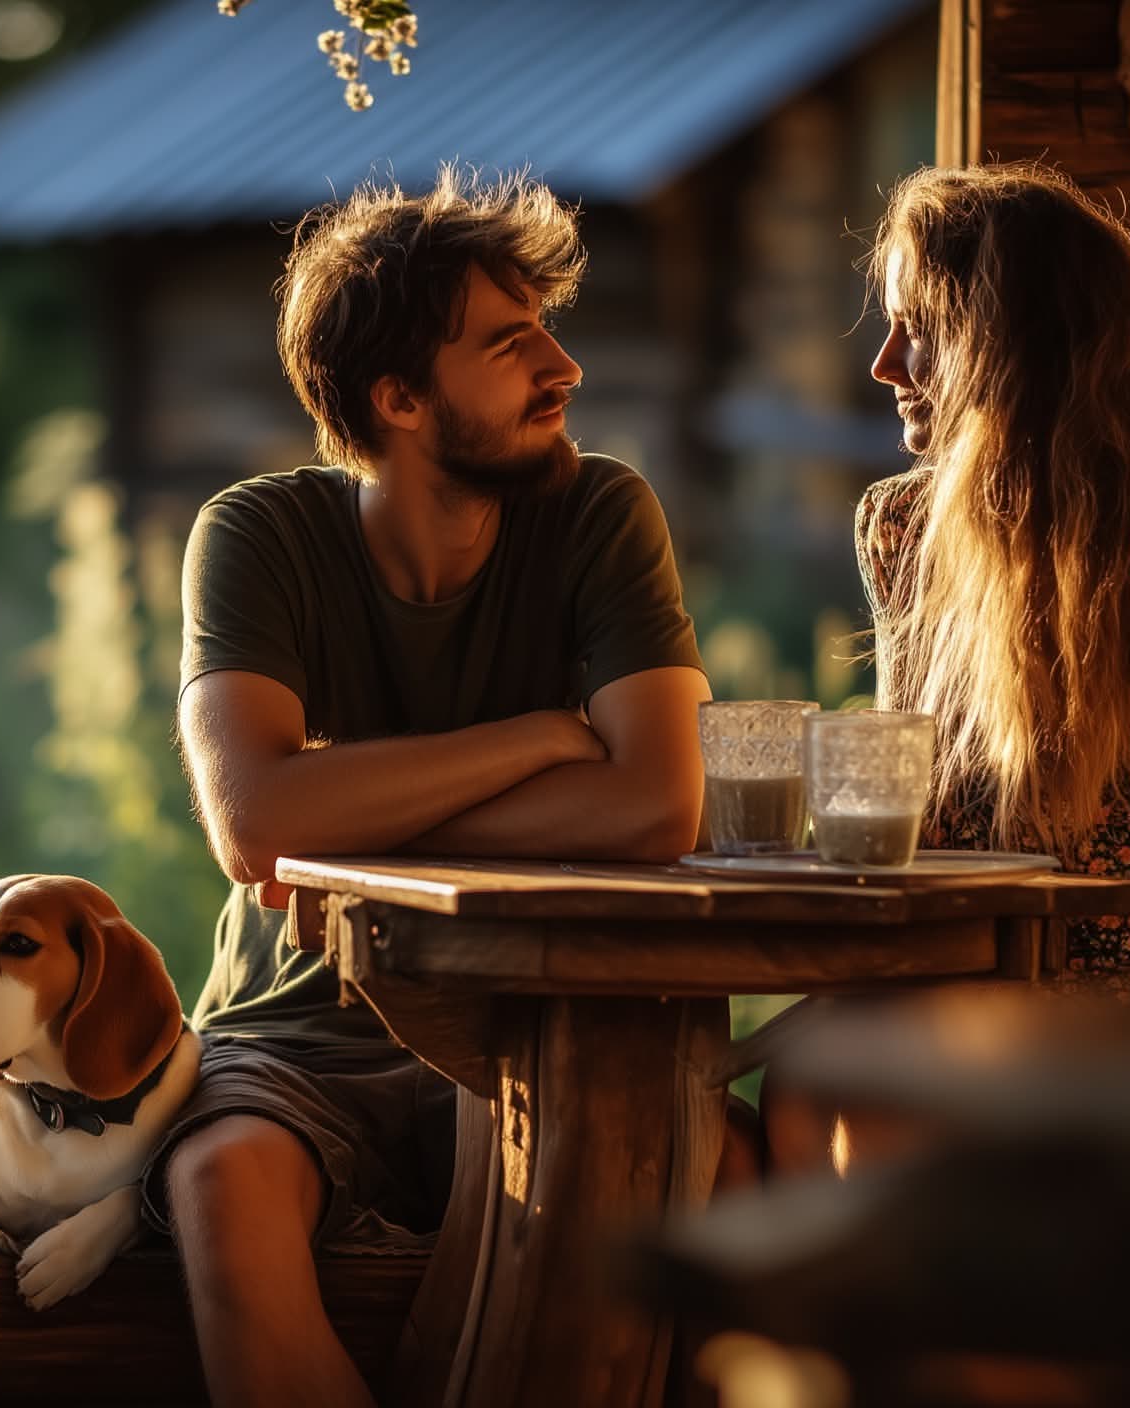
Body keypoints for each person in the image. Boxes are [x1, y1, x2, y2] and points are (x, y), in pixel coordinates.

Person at [149, 167, 710, 1408]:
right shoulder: (256, 535)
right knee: (217, 1180)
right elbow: (256, 826)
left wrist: (345, 811)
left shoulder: (602, 512)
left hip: (543, 1017)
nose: (562, 368)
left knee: (693, 1185)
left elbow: (655, 806)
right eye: (510, 345)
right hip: (299, 1026)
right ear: (398, 399)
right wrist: (543, 736)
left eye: (546, 329)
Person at [761, 162, 1130, 1176]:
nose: (885, 364)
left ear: (1002, 342)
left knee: (813, 1079)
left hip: (1040, 999)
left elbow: (912, 832)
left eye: (917, 330)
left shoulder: (908, 527)